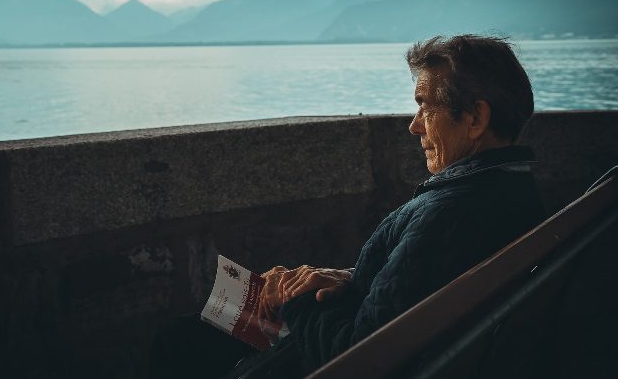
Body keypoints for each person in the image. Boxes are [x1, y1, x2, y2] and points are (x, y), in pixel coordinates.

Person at [149, 34, 545, 379]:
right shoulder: (511, 192)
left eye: (426, 106)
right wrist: (346, 278)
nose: (415, 125)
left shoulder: (450, 214)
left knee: (175, 342)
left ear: (475, 118)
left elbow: (360, 354)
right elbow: (414, 283)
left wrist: (292, 298)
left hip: (319, 359)